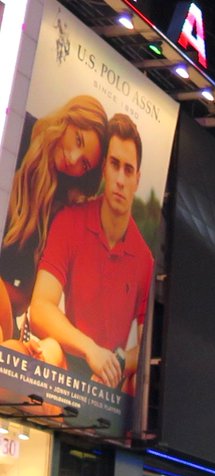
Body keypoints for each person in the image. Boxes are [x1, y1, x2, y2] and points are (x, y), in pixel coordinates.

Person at [28, 113, 151, 392]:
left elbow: (147, 348)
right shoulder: (71, 221)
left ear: (137, 179)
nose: (120, 179)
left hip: (111, 382)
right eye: (115, 165)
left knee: (136, 385)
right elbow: (40, 307)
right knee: (47, 351)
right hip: (67, 362)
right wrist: (90, 350)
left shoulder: (145, 259)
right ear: (104, 169)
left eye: (128, 170)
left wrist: (116, 364)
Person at [0, 96, 107, 350]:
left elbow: (25, 297)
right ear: (68, 120)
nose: (73, 159)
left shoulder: (56, 205)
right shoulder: (17, 129)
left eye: (84, 164)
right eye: (78, 140)